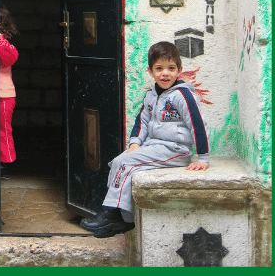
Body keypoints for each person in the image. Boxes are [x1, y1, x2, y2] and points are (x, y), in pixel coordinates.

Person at [81, 40, 210, 238]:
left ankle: (112, 214)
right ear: (150, 71)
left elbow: (198, 124)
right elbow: (141, 121)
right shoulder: (151, 95)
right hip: (155, 147)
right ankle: (119, 217)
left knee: (126, 162)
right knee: (119, 161)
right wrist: (135, 143)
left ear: (179, 70)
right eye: (159, 68)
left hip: (176, 151)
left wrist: (203, 158)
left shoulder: (182, 96)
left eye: (171, 68)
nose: (165, 73)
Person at [0, 5, 20, 177]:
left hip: (4, 94)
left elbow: (10, 58)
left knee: (2, 129)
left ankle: (4, 163)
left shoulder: (4, 41)